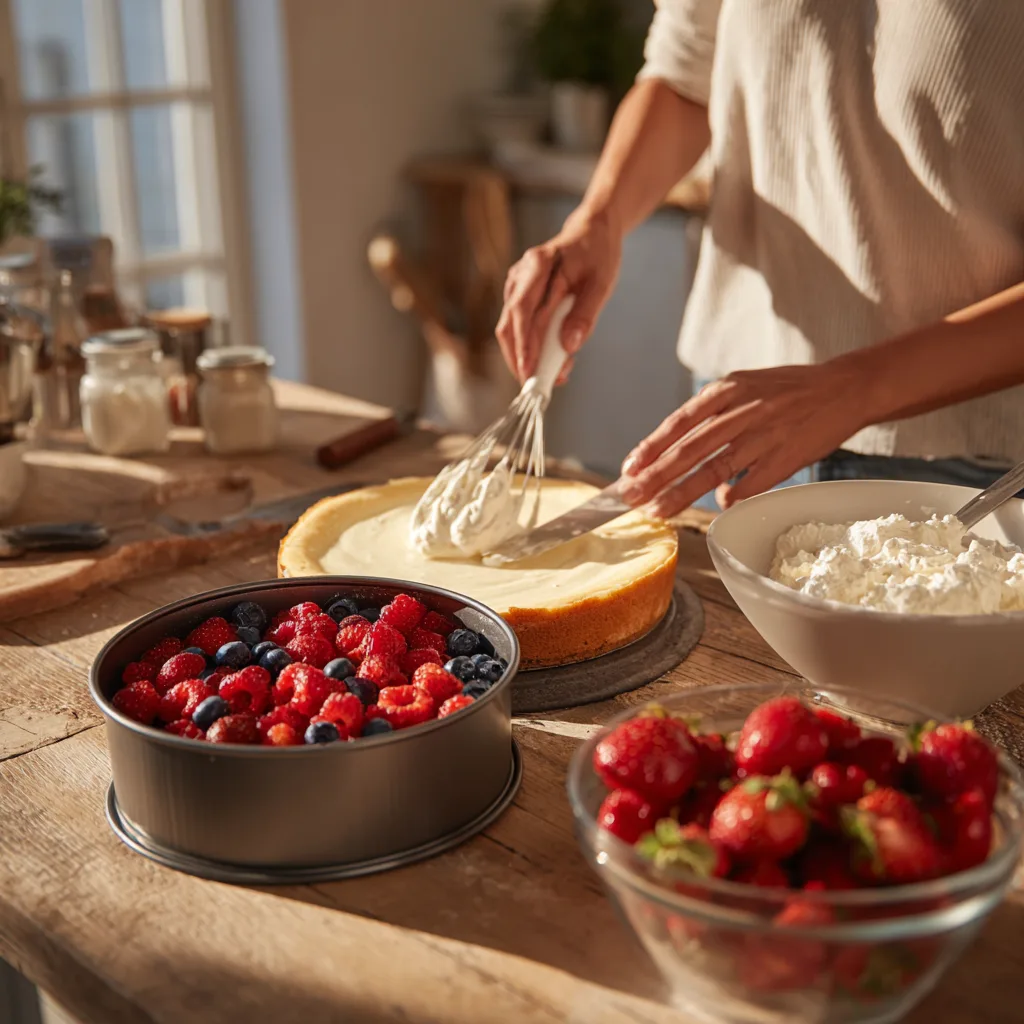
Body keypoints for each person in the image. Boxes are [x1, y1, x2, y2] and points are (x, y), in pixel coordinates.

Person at [495, 0, 1024, 516]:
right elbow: (684, 76)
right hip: (738, 424)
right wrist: (598, 221)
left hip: (964, 456)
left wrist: (855, 387)